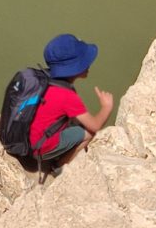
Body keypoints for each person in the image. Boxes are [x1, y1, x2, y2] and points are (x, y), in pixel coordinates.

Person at [29, 33, 113, 170]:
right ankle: (59, 166)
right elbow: (95, 126)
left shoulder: (44, 79)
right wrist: (106, 107)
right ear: (76, 68)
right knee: (89, 133)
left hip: (25, 138)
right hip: (38, 148)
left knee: (74, 122)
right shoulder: (67, 96)